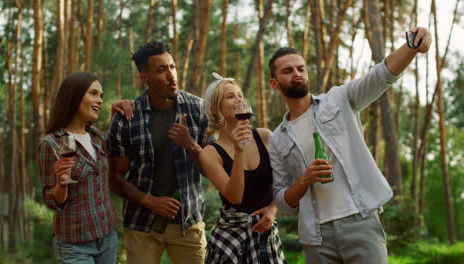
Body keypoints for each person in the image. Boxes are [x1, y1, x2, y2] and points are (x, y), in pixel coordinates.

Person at [267, 27, 432, 264]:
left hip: (361, 220)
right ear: (274, 83)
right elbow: (283, 201)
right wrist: (304, 179)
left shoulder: (339, 98)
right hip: (316, 237)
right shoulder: (277, 139)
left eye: (301, 68)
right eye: (288, 70)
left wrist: (411, 46)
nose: (297, 73)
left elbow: (381, 75)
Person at [107, 41, 212, 264]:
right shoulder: (127, 117)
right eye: (162, 70)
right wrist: (150, 201)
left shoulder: (199, 110)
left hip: (188, 222)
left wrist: (191, 145)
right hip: (141, 225)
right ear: (145, 77)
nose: (171, 75)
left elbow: (213, 169)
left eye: (172, 66)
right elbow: (115, 179)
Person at [37, 71, 134, 264]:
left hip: (108, 237)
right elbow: (51, 201)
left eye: (101, 96)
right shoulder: (52, 143)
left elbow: (117, 148)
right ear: (74, 96)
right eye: (93, 93)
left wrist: (115, 114)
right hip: (74, 245)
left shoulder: (97, 136)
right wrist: (61, 183)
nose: (99, 100)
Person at [199, 73, 285, 264]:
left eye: (239, 95)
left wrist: (272, 209)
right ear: (214, 108)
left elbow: (284, 180)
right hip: (230, 241)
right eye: (230, 97)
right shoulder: (210, 153)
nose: (238, 99)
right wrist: (239, 152)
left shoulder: (265, 136)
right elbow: (235, 197)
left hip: (265, 236)